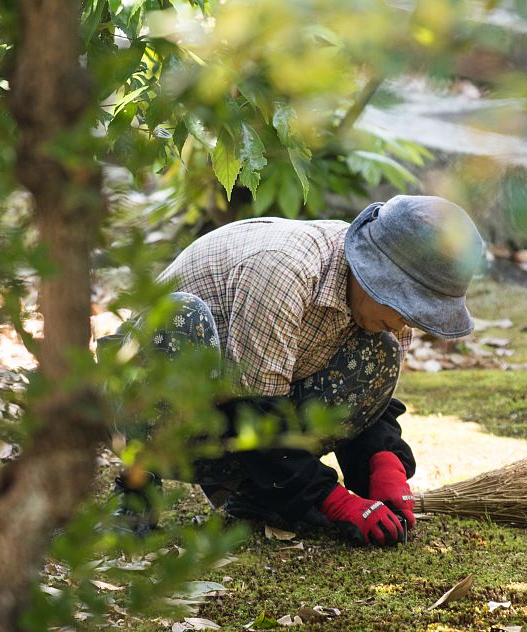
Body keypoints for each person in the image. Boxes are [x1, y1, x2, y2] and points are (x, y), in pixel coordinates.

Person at [109, 195, 485, 547]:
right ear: (373, 274)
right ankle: (136, 491)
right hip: (151, 402)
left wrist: (384, 463)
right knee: (182, 320)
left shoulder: (383, 318)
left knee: (380, 354)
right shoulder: (285, 271)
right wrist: (331, 498)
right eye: (404, 307)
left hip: (243, 414)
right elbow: (255, 411)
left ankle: (259, 496)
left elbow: (368, 401)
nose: (405, 325)